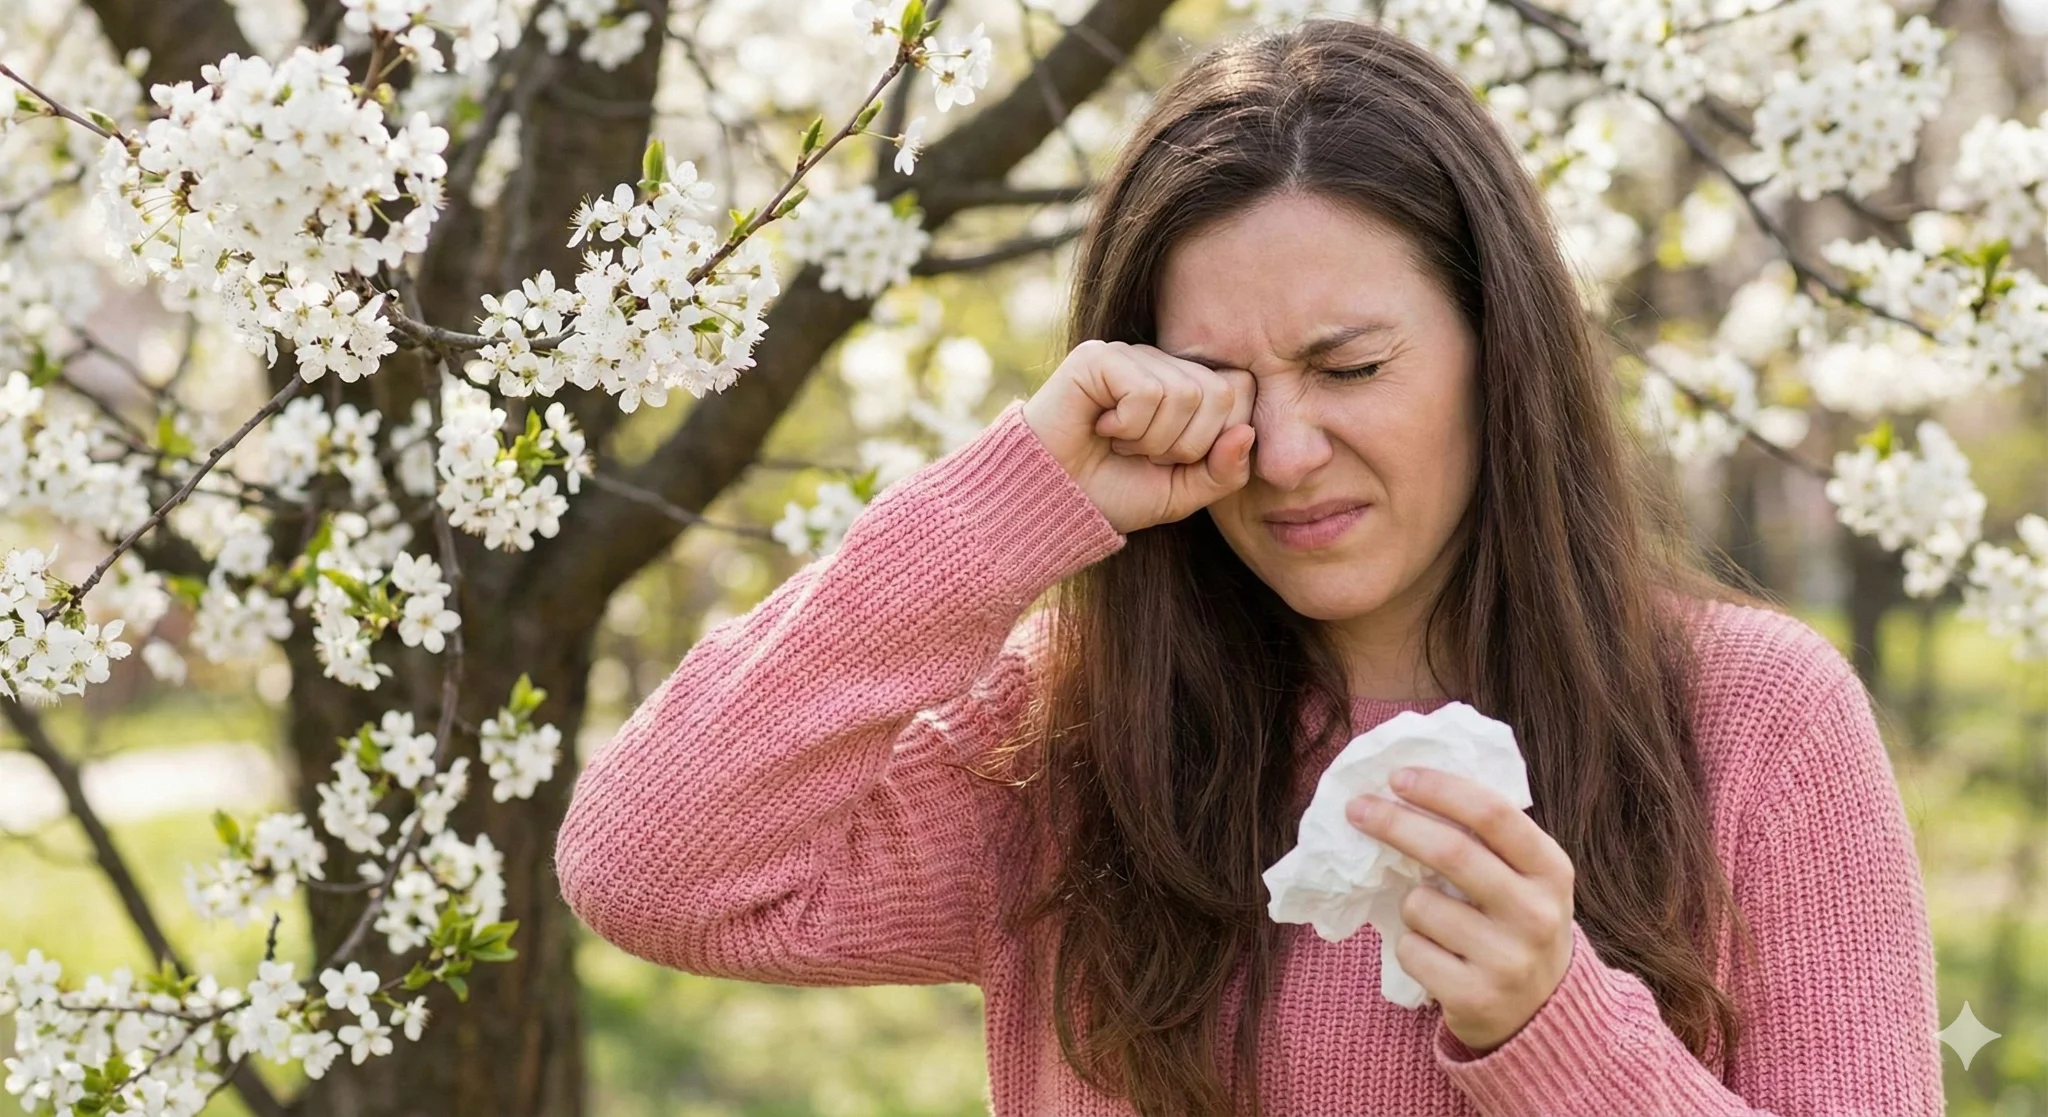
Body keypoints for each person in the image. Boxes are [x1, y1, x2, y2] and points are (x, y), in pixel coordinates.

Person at [553, 16, 1944, 1117]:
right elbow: (647, 866)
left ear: (1495, 350)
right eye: (1215, 381)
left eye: (1350, 368)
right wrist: (1014, 500)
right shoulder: (1073, 749)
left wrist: (1554, 1034)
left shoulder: (1756, 722)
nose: (1282, 453)